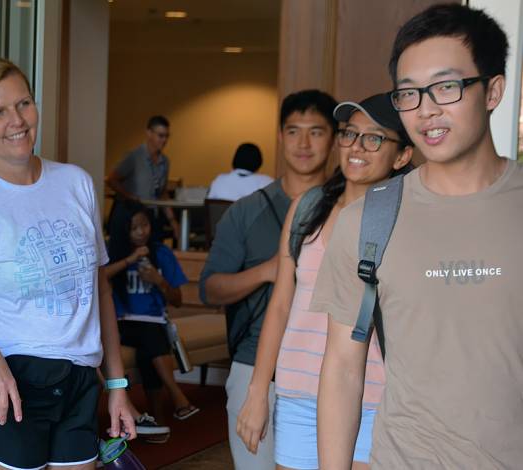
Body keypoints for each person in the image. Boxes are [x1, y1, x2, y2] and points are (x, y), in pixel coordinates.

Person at [313, 5, 523, 469]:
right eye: (408, 94)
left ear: (493, 91)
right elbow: (344, 368)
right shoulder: (366, 221)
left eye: (446, 87)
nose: (426, 110)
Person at [0, 57, 135, 470]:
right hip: (3, 388)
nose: (16, 121)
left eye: (23, 104)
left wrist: (117, 384)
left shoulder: (75, 183)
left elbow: (100, 291)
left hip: (77, 383)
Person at [236, 94, 414, 470]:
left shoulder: (407, 220)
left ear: (402, 156)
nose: (357, 147)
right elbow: (281, 303)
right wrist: (258, 391)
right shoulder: (307, 208)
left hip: (373, 395)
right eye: (350, 134)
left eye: (374, 138)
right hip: (298, 391)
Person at [200, 89, 337, 469]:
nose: (304, 143)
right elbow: (210, 289)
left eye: (316, 131)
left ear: (335, 136)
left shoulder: (348, 208)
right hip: (254, 367)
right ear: (280, 136)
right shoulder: (247, 212)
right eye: (293, 131)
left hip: (330, 370)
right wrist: (268, 271)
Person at [105, 202, 198, 440]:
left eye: (144, 225)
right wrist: (130, 260)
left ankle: (156, 421)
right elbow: (98, 277)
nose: (140, 232)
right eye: (133, 227)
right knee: (150, 338)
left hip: (153, 324)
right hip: (120, 324)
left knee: (149, 346)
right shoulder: (110, 252)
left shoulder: (160, 253)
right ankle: (176, 398)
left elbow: (177, 300)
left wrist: (159, 280)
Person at [106, 115, 180, 241]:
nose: (164, 140)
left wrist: (173, 222)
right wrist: (129, 196)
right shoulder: (134, 157)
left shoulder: (164, 162)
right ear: (149, 133)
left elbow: (162, 193)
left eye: (167, 136)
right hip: (131, 216)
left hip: (152, 216)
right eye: (160, 136)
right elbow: (111, 179)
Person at [207, 143, 274, 201]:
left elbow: (209, 204)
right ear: (258, 162)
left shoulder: (219, 180)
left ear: (235, 159)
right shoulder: (267, 182)